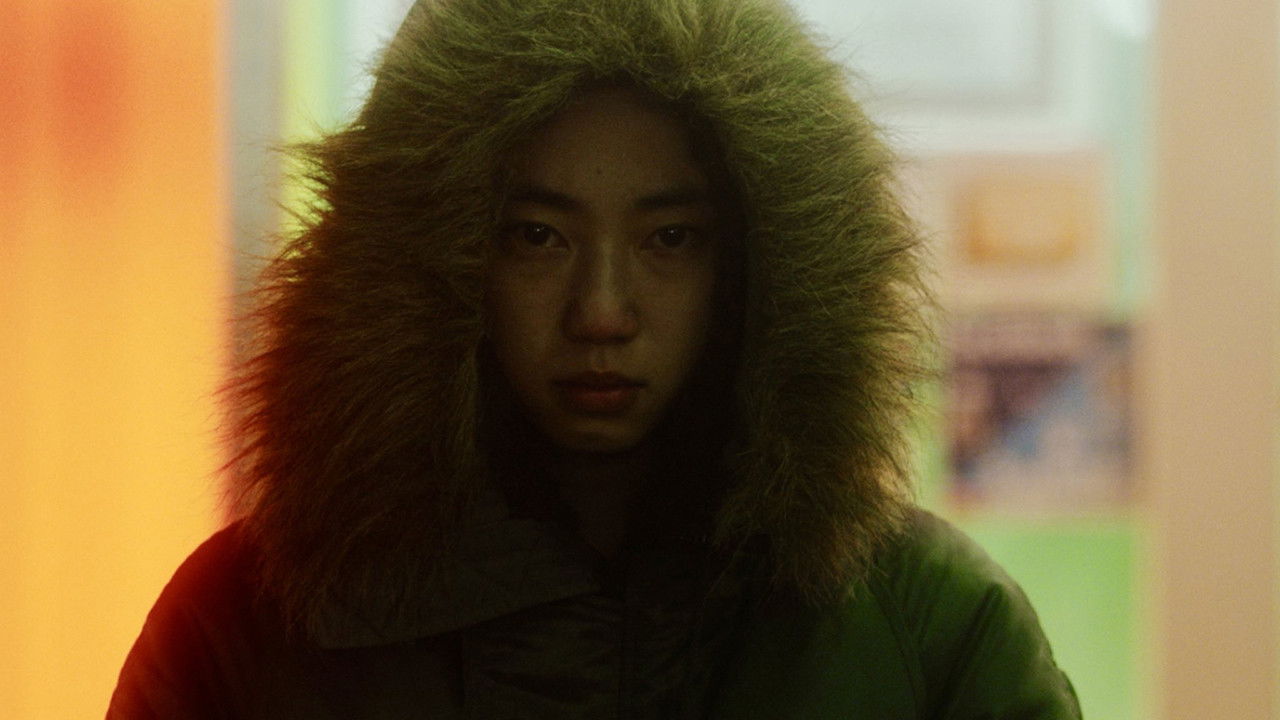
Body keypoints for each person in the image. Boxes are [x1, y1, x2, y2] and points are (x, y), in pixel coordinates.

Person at [109, 0, 1082, 717]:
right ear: (437, 256)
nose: (602, 312)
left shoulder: (931, 631)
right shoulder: (241, 631)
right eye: (537, 236)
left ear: (754, 264)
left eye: (669, 239)